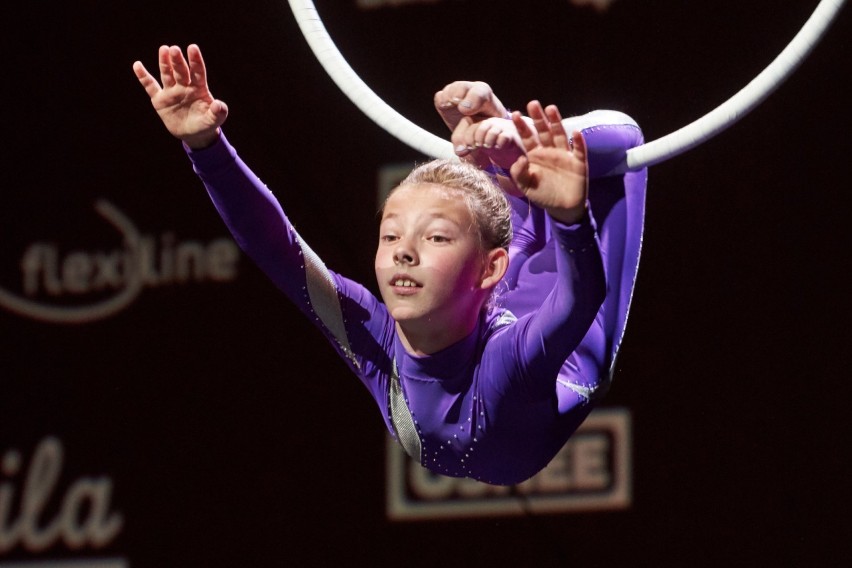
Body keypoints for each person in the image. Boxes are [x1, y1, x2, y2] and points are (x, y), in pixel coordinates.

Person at [133, 44, 606, 485]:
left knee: (618, 140)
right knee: (522, 201)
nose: (404, 251)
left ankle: (510, 151)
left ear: (488, 269)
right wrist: (207, 147)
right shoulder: (373, 335)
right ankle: (503, 156)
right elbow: (277, 247)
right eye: (391, 235)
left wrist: (569, 218)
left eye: (434, 237)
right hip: (510, 279)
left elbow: (577, 301)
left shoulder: (510, 361)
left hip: (568, 338)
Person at [433, 81, 648, 403]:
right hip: (569, 361)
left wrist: (495, 152)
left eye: (393, 236)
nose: (403, 252)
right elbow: (626, 135)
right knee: (621, 144)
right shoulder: (563, 375)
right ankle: (509, 150)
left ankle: (500, 155)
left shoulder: (404, 342)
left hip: (502, 299)